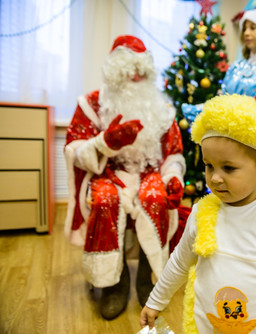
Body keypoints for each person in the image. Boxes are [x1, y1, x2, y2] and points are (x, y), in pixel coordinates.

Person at [140, 93, 256, 334]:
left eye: (228, 168)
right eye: (209, 166)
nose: (215, 178)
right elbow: (180, 262)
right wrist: (156, 300)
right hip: (205, 327)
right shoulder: (202, 212)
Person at [64, 35, 187, 320]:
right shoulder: (91, 104)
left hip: (148, 173)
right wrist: (104, 143)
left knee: (155, 197)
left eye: (142, 70)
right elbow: (73, 148)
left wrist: (173, 177)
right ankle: (113, 285)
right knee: (106, 199)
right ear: (114, 70)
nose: (135, 75)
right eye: (128, 68)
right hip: (107, 173)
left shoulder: (162, 109)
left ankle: (148, 279)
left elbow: (173, 154)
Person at [183, 8, 256, 197]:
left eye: (253, 28)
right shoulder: (236, 67)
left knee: (253, 200)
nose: (247, 33)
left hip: (254, 148)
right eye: (245, 28)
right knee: (224, 193)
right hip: (227, 143)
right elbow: (223, 98)